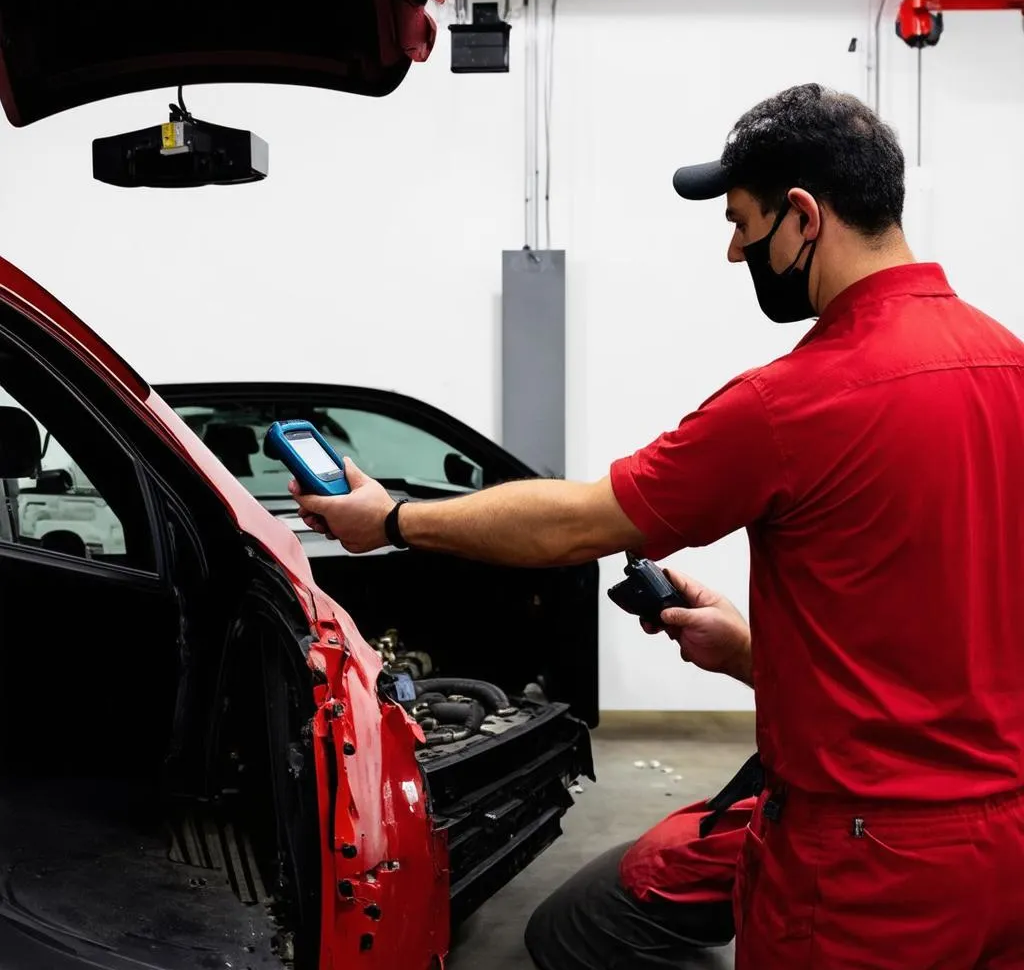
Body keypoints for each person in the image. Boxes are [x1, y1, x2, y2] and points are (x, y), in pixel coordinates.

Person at [291, 83, 1024, 969]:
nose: (733, 251)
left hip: (865, 865)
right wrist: (753, 652)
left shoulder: (791, 402)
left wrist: (395, 519)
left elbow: (579, 524)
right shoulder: (1008, 364)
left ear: (802, 219)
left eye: (742, 224)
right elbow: (945, 625)